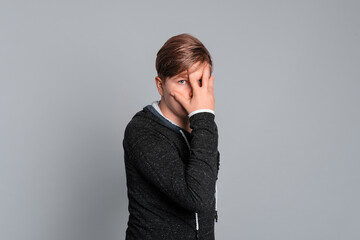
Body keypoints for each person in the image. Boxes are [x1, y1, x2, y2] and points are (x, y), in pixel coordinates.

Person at [123, 33, 220, 240]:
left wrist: (201, 122)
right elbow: (196, 197)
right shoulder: (141, 131)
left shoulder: (200, 126)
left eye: (200, 81)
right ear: (160, 85)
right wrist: (204, 118)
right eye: (183, 81)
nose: (194, 92)